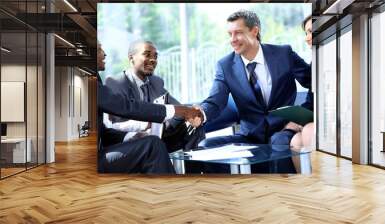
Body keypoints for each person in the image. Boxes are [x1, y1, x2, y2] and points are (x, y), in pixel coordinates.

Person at [189, 10, 311, 173]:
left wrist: (301, 118)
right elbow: (216, 100)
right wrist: (201, 114)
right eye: (229, 34)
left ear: (254, 31)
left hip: (282, 131)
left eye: (238, 33)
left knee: (279, 142)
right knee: (206, 146)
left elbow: (314, 83)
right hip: (249, 137)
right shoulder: (225, 66)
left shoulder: (283, 54)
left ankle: (284, 194)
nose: (232, 40)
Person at [96, 42, 202, 174]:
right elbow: (126, 108)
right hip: (95, 158)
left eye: (155, 56)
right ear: (131, 58)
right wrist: (176, 111)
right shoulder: (108, 82)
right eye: (99, 48)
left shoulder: (156, 82)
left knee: (192, 127)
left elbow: (104, 132)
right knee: (152, 145)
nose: (104, 53)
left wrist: (191, 114)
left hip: (144, 135)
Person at [290, 15, 315, 148]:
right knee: (296, 141)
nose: (306, 38)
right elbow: (311, 101)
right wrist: (296, 118)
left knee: (308, 130)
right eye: (306, 33)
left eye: (310, 32)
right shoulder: (315, 61)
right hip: (319, 118)